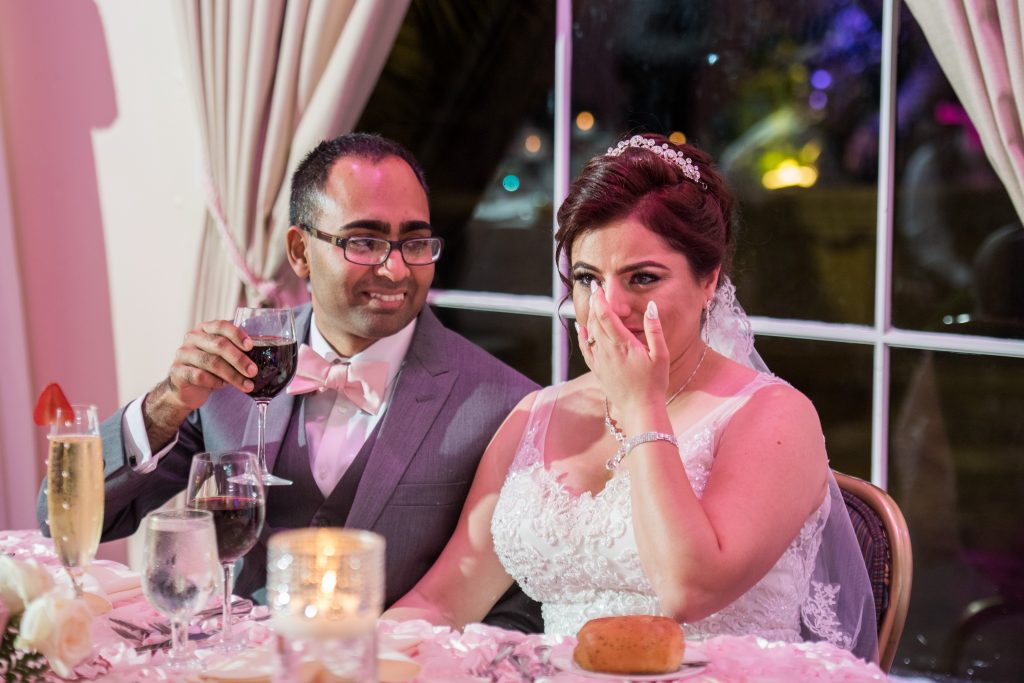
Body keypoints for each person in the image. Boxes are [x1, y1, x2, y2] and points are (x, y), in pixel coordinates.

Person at [385, 134, 878, 661]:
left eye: (642, 278)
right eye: (587, 279)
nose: (610, 308)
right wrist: (343, 649)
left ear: (709, 279)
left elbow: (688, 589)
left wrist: (643, 405)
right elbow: (444, 599)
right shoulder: (536, 414)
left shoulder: (774, 415)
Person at [35, 133, 542, 633]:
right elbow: (67, 519)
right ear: (300, 251)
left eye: (414, 242)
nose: (395, 268)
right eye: (364, 242)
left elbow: (520, 602)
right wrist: (167, 405)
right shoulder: (236, 358)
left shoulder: (505, 404)